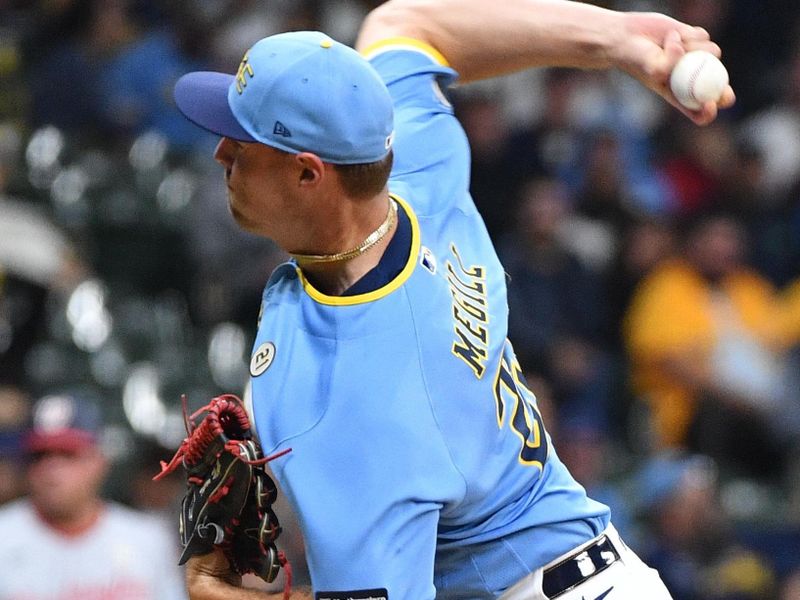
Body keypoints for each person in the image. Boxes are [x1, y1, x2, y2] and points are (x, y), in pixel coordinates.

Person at [172, 0, 734, 598]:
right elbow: (404, 24)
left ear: (310, 174)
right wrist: (618, 41)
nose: (221, 154)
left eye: (242, 142)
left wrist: (215, 591)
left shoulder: (359, 401)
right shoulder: (414, 166)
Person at [0, 392, 186, 600]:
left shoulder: (148, 539)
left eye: (68, 454)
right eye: (40, 456)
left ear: (100, 461)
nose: (51, 469)